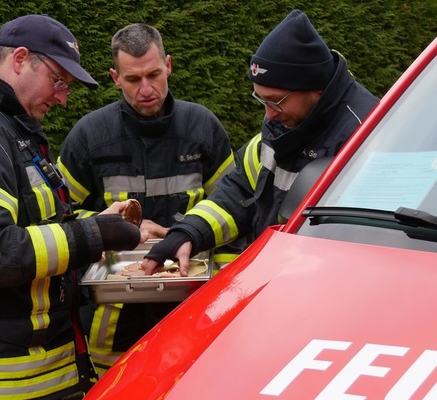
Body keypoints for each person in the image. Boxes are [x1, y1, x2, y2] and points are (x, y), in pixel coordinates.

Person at [0, 14, 147, 400]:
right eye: (58, 80)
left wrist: (101, 221)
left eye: (67, 87)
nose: (62, 97)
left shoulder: (8, 128)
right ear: (20, 59)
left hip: (27, 376)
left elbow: (34, 224)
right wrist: (93, 235)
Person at [56, 23, 238, 375]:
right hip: (110, 331)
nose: (146, 89)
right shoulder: (90, 137)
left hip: (191, 313)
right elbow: (58, 218)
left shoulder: (202, 128)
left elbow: (234, 209)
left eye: (154, 74)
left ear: (168, 65)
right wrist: (114, 227)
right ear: (114, 77)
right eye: (133, 79)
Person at [141, 9, 380, 275]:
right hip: (275, 284)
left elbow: (362, 247)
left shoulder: (366, 137)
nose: (268, 114)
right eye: (261, 99)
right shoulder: (283, 123)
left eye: (275, 101)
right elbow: (240, 190)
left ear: (316, 89)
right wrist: (189, 232)